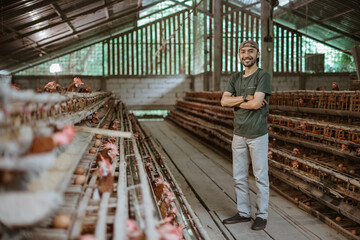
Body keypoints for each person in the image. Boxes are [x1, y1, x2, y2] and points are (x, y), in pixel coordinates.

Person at [220, 40, 272, 230]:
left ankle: (261, 215)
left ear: (258, 54)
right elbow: (223, 102)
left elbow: (256, 104)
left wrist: (238, 101)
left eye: (251, 51)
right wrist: (243, 98)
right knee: (239, 175)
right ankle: (243, 212)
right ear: (239, 55)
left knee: (260, 176)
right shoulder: (235, 78)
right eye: (242, 52)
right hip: (239, 133)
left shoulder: (262, 76)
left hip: (257, 134)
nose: (246, 55)